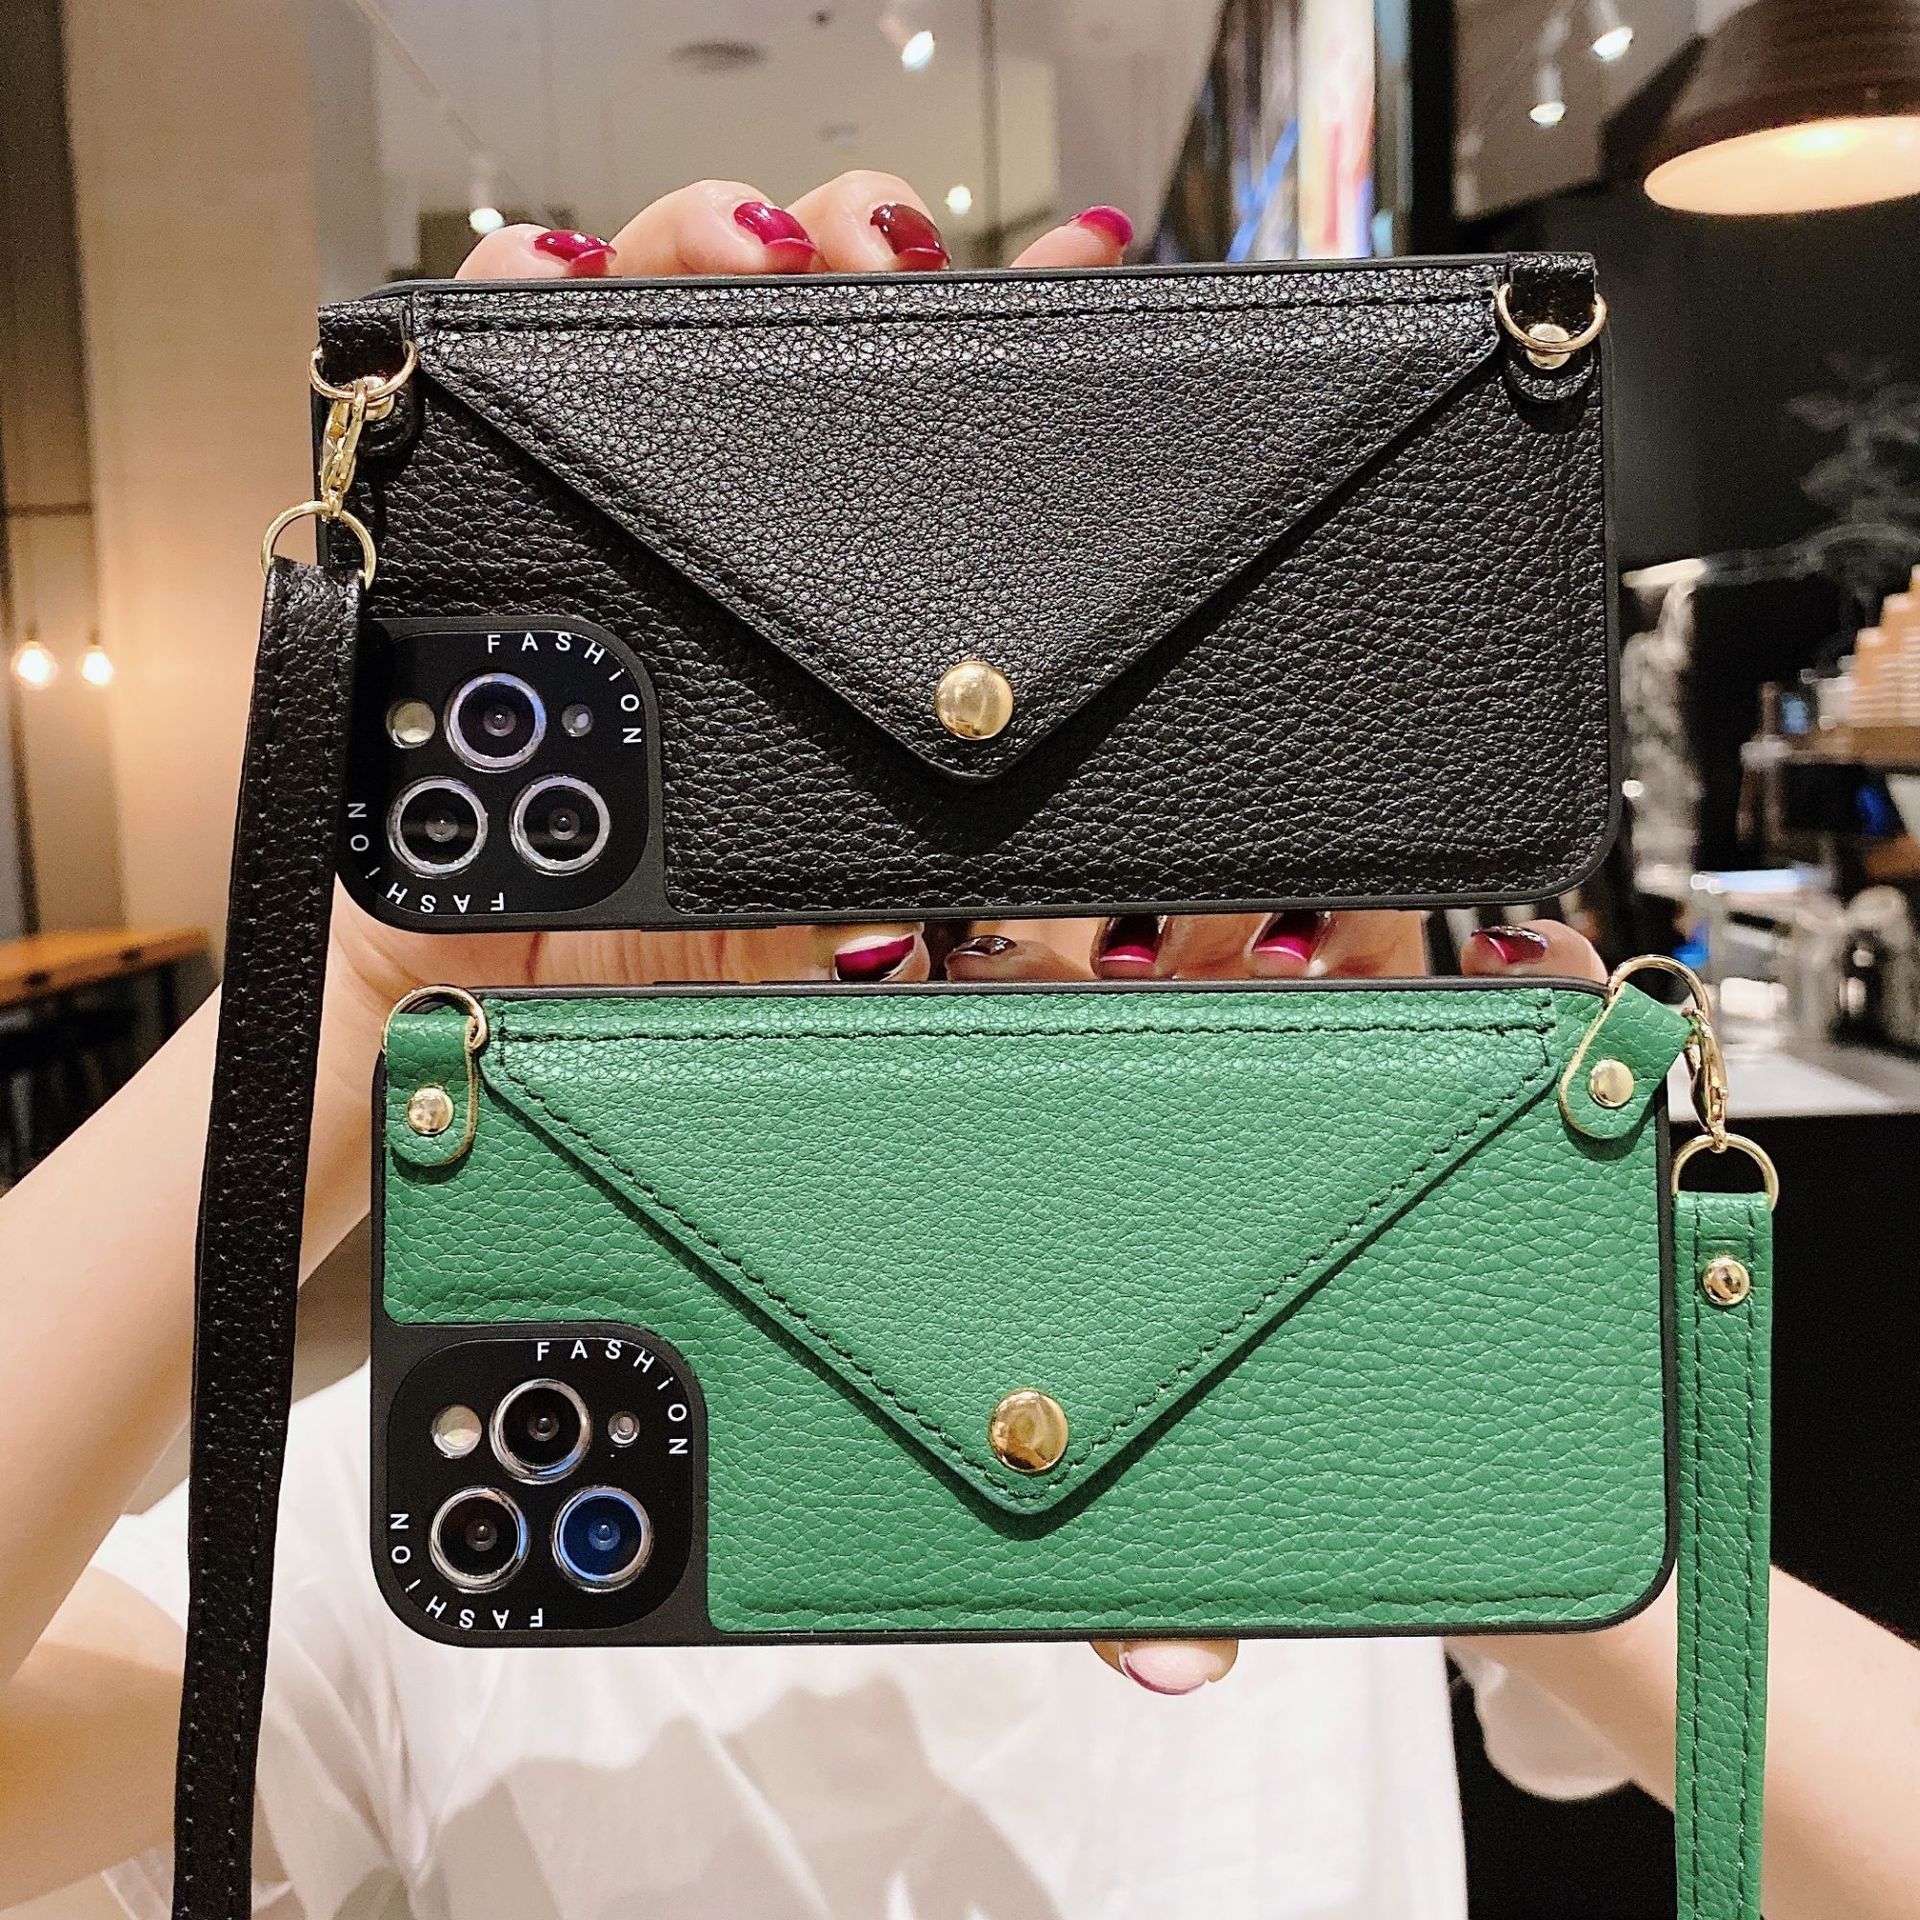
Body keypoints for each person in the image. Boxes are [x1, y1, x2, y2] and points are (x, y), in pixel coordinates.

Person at [1, 176, 1917, 1920]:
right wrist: (355, 1003)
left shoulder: (1374, 1463)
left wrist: (1366, 1335)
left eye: (1144, 780)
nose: (995, 812)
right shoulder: (468, 1465)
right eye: (896, 847)